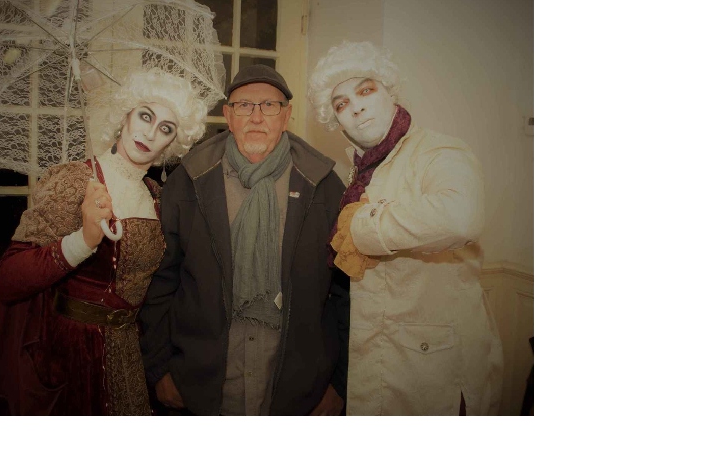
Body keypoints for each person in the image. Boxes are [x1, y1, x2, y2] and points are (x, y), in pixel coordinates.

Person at [0, 69, 208, 414]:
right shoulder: (75, 180)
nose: (150, 133)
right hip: (69, 357)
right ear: (125, 116)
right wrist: (83, 240)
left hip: (129, 358)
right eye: (145, 116)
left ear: (172, 143)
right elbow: (8, 280)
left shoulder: (157, 197)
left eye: (166, 128)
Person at [140, 64, 348, 415]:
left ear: (287, 115)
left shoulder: (322, 185)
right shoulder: (190, 180)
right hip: (202, 383)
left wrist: (339, 383)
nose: (256, 116)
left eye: (269, 105)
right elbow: (160, 281)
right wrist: (159, 367)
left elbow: (345, 292)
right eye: (244, 106)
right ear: (228, 116)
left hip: (298, 388)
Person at [307, 41, 503, 415]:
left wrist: (361, 228)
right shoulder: (361, 172)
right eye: (341, 104)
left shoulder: (438, 151)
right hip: (379, 360)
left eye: (365, 90)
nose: (355, 107)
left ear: (390, 92)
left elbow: (460, 216)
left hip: (435, 369)